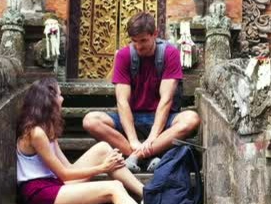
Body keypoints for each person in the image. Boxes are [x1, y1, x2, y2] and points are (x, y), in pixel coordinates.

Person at [16, 78, 197, 204]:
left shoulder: (48, 129)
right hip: (40, 195)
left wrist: (105, 164)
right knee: (114, 188)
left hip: (54, 185)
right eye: (59, 95)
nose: (62, 99)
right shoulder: (36, 132)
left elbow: (69, 169)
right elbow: (64, 174)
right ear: (49, 100)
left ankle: (147, 196)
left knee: (103, 148)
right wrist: (103, 169)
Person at [82, 11, 201, 172]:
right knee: (91, 120)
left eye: (143, 40)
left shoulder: (170, 53)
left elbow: (166, 100)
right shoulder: (124, 55)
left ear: (155, 35)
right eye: (134, 41)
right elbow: (122, 102)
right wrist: (133, 140)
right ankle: (148, 155)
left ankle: (136, 157)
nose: (139, 46)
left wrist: (152, 138)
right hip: (132, 118)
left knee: (191, 119)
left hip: (162, 120)